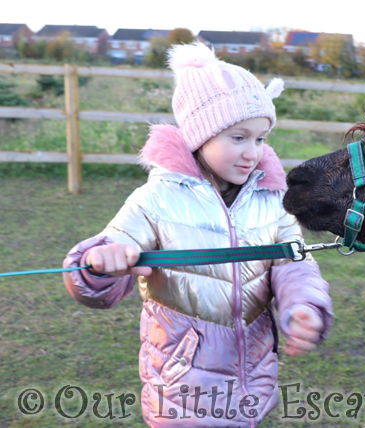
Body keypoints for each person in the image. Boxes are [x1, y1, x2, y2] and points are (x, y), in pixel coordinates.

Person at [62, 42, 332, 428]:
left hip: (252, 383)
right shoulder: (157, 199)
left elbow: (295, 265)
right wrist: (97, 265)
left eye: (260, 138)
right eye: (238, 138)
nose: (252, 153)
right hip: (181, 390)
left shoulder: (272, 200)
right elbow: (98, 274)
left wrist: (303, 305)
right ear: (198, 136)